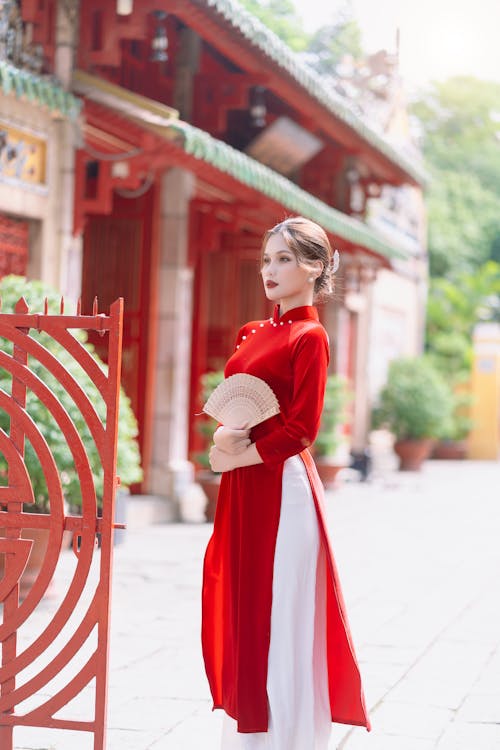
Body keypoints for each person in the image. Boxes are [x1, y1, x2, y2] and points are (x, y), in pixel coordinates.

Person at [202, 216, 370, 749]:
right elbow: (239, 407)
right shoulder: (251, 333)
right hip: (245, 483)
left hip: (282, 488)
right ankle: (248, 730)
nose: (269, 271)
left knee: (283, 607)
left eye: (284, 260)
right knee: (244, 598)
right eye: (266, 260)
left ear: (314, 268)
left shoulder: (310, 336)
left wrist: (241, 456)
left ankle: (288, 738)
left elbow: (301, 428)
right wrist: (225, 443)